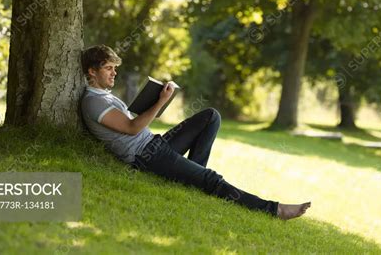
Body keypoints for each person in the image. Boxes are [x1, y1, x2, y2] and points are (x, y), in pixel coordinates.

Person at [80, 44, 311, 220]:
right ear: (92, 71)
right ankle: (275, 209)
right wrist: (160, 102)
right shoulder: (93, 102)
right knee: (212, 179)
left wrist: (155, 101)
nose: (114, 73)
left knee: (210, 116)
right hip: (145, 157)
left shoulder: (105, 96)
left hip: (155, 144)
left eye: (114, 68)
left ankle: (194, 177)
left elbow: (134, 122)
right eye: (108, 68)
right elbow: (132, 128)